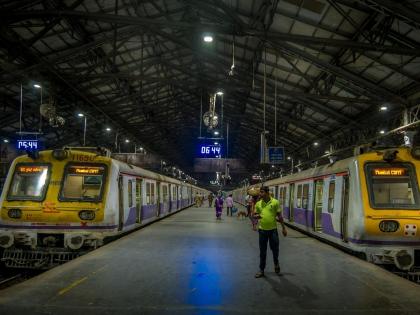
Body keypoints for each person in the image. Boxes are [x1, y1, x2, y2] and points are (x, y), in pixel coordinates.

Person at [254, 186, 287, 278]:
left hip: (273, 231)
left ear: (267, 192)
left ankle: (276, 264)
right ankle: (261, 270)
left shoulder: (275, 202)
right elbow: (255, 214)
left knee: (275, 250)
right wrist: (255, 219)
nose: (260, 194)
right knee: (262, 251)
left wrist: (283, 228)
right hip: (262, 231)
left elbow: (279, 216)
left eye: (262, 192)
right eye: (260, 192)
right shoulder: (258, 204)